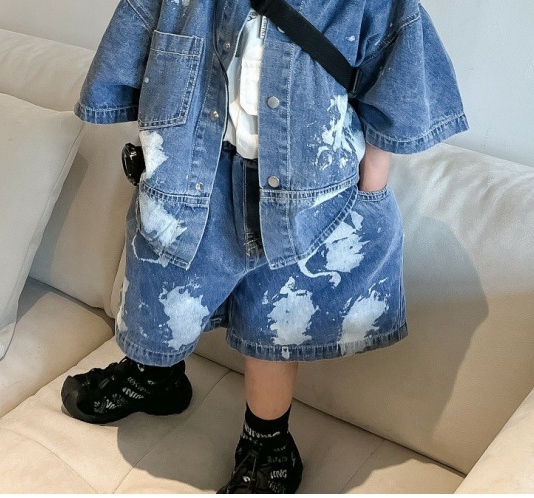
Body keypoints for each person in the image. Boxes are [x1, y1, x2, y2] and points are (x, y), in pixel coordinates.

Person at [63, 0, 467, 493]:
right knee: (159, 285)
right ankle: (153, 374)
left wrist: (372, 182)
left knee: (275, 319)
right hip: (191, 172)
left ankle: (267, 439)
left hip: (306, 194)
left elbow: (397, 67)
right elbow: (139, 42)